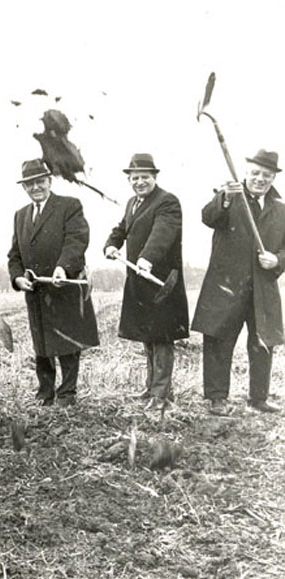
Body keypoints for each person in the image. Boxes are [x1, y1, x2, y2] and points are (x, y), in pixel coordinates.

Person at [192, 149, 285, 415]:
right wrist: (224, 197)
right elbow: (208, 217)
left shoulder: (281, 210)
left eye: (266, 175)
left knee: (262, 343)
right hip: (226, 286)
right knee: (219, 341)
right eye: (255, 173)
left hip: (262, 289)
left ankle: (258, 398)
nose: (260, 179)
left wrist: (277, 260)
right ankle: (217, 398)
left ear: (273, 178)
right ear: (246, 172)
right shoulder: (229, 197)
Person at [7, 159, 99, 406]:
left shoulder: (69, 206)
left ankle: (67, 393)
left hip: (63, 286)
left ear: (49, 181)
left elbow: (76, 240)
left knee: (67, 341)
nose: (35, 187)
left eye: (40, 182)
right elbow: (14, 254)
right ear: (24, 187)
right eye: (30, 184)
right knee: (42, 345)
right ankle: (45, 393)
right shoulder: (20, 215)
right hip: (36, 292)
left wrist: (63, 267)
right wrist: (17, 278)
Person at [104, 153, 189, 411]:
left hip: (162, 283)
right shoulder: (133, 203)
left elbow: (162, 232)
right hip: (140, 283)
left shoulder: (167, 202)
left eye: (144, 177)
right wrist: (111, 244)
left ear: (155, 177)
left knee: (162, 338)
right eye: (134, 178)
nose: (139, 182)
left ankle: (161, 394)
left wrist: (147, 258)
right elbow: (122, 228)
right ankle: (152, 386)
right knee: (148, 336)